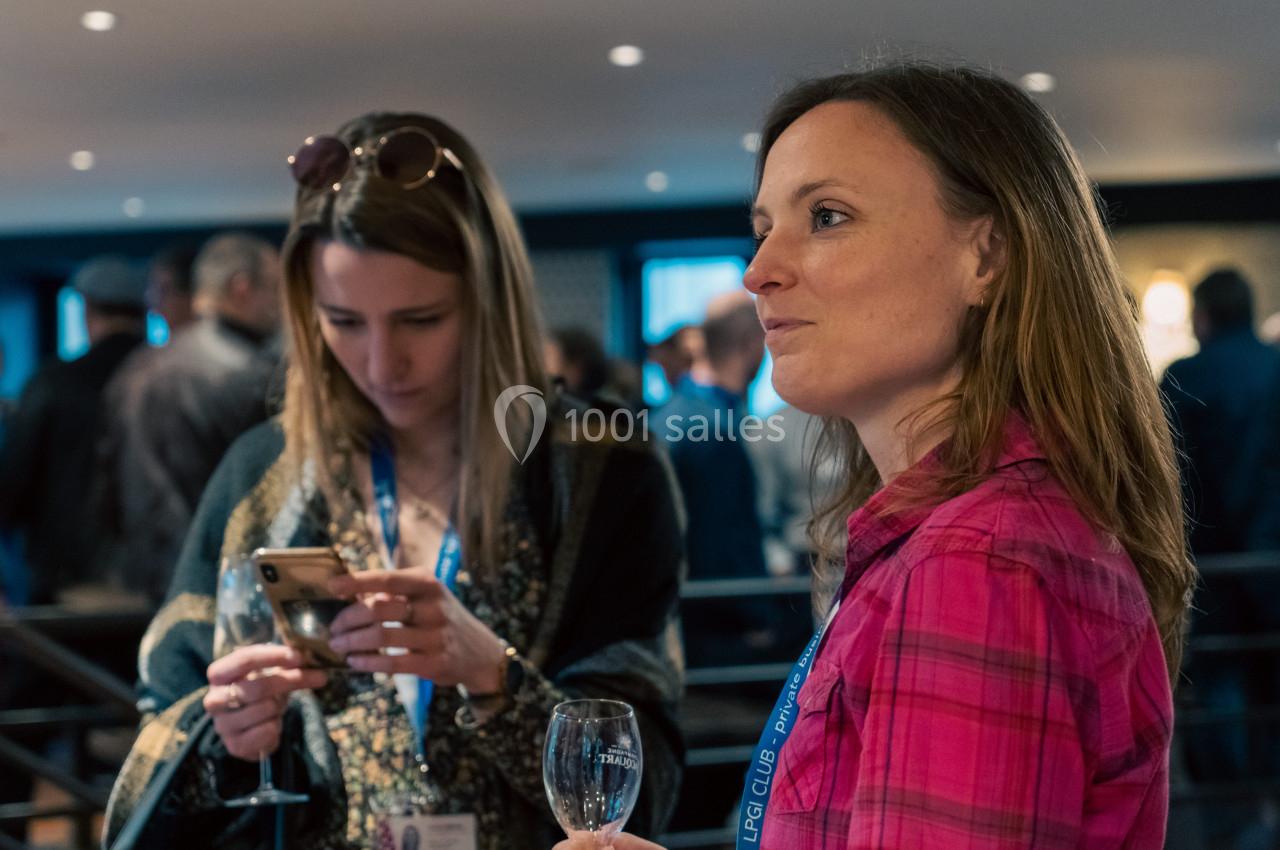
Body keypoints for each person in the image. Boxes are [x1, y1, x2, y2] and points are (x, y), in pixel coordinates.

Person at [565, 62, 1193, 850]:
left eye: (827, 216)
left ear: (987, 256)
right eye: (764, 229)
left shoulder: (976, 561)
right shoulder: (967, 533)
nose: (760, 271)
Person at [105, 113, 685, 850]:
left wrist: (494, 677)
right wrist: (229, 735)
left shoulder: (601, 468)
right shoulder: (264, 475)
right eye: (344, 321)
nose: (383, 364)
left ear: (487, 298)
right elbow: (163, 746)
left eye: (421, 319)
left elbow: (649, 787)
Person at [98, 231, 284, 603]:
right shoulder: (249, 374)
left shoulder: (138, 367)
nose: (281, 302)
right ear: (242, 287)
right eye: (276, 288)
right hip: (225, 576)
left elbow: (107, 480)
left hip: (146, 576)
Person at [0, 255, 148, 604]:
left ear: (86, 310)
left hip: (68, 583)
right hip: (162, 579)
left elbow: (14, 486)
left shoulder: (54, 382)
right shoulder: (172, 379)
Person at [1159, 268, 1280, 555]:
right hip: (1272, 547)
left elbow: (1166, 463)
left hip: (1206, 549)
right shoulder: (1275, 367)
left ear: (1202, 316)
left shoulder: (1184, 377)